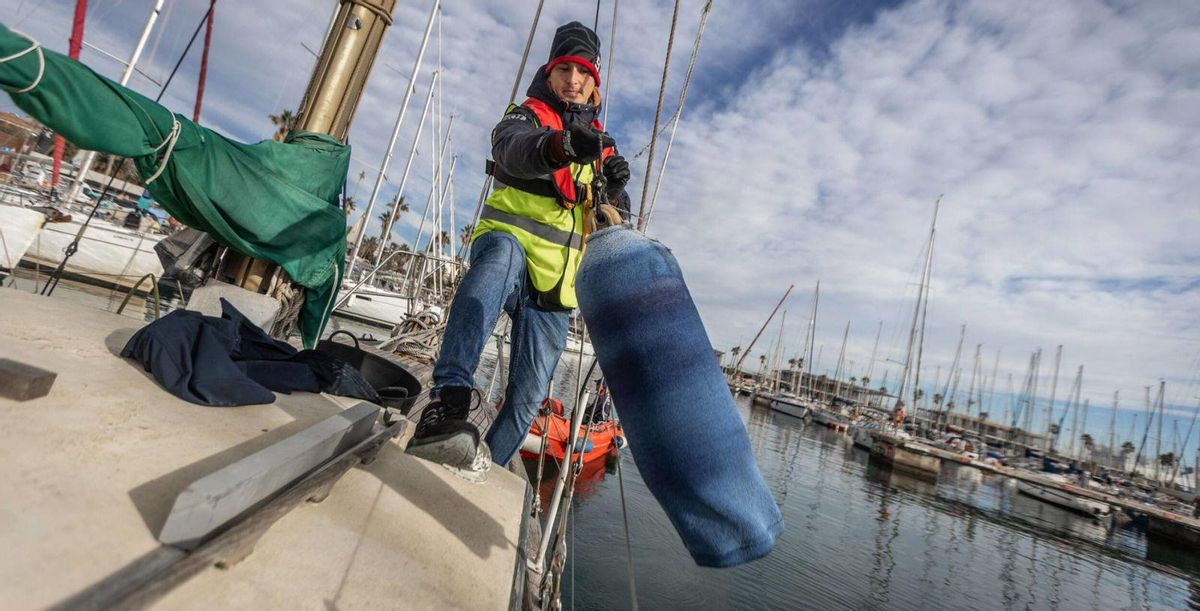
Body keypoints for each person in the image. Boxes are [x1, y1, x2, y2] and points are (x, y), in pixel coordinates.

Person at [405, 22, 631, 472]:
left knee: (528, 401)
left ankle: (479, 460)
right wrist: (563, 144)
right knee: (500, 260)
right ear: (548, 75)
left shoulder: (603, 148)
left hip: (554, 292)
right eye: (564, 68)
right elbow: (512, 151)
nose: (573, 79)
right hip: (506, 252)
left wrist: (618, 191)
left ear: (594, 83)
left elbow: (612, 217)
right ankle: (447, 403)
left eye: (583, 72)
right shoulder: (525, 115)